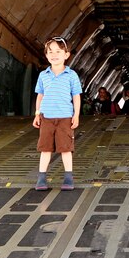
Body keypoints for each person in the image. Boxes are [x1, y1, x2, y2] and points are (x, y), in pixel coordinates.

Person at [33, 36, 81, 191]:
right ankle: (41, 178)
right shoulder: (43, 75)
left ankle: (68, 178)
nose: (54, 55)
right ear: (46, 55)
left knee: (66, 148)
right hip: (46, 117)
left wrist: (76, 115)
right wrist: (37, 113)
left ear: (66, 55)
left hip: (65, 118)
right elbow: (40, 95)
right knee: (45, 148)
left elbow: (76, 96)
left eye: (58, 51)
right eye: (50, 52)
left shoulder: (71, 75)